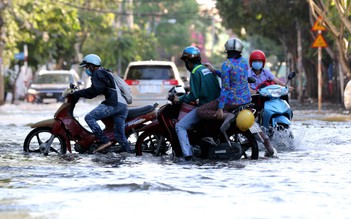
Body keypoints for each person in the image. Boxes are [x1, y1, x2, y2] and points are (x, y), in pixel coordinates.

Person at [202, 39, 276, 158]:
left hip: (231, 102)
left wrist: (220, 108)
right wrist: (214, 71)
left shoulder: (226, 65)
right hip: (246, 100)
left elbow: (225, 87)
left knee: (201, 111)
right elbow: (232, 77)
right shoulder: (243, 62)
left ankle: (224, 120)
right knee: (253, 123)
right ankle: (268, 146)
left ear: (227, 51)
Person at [72, 54, 132, 154]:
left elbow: (95, 91)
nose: (86, 70)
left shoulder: (98, 73)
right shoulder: (105, 72)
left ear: (92, 66)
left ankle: (105, 141)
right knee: (119, 135)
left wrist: (77, 94)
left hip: (114, 104)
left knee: (89, 117)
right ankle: (130, 154)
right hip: (123, 105)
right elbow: (100, 89)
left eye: (87, 67)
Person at [174, 46, 221, 161]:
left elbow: (194, 96)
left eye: (185, 61)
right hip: (217, 102)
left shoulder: (195, 72)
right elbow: (208, 85)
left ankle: (187, 155)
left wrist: (179, 99)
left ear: (188, 61)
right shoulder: (208, 69)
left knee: (180, 126)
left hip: (206, 105)